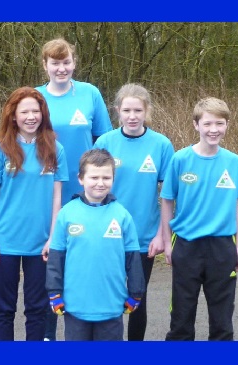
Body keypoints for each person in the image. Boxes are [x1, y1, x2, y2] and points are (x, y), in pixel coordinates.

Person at [36, 38, 113, 340]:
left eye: (66, 62)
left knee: (83, 259)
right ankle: (47, 334)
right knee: (51, 262)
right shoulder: (36, 97)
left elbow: (105, 141)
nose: (61, 68)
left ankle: (83, 328)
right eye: (55, 63)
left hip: (85, 192)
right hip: (47, 191)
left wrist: (103, 182)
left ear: (74, 63)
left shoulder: (90, 94)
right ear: (45, 65)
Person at [0, 86, 68, 341]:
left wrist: (54, 238)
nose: (31, 116)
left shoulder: (55, 149)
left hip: (41, 244)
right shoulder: (0, 150)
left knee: (37, 310)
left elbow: (56, 197)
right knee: (4, 309)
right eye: (24, 111)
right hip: (4, 242)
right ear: (13, 116)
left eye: (36, 110)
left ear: (43, 114)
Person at [160, 96, 238, 341]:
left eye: (219, 124)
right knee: (181, 317)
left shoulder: (233, 162)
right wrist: (168, 243)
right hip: (187, 245)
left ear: (227, 126)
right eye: (208, 124)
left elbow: (237, 205)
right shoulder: (180, 159)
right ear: (196, 125)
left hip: (222, 247)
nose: (214, 130)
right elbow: (167, 201)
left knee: (222, 321)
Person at [94, 84, 174, 341]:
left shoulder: (161, 145)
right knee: (108, 293)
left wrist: (163, 234)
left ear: (146, 111)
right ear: (117, 110)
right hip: (108, 233)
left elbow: (169, 195)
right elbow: (95, 188)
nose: (132, 116)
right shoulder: (105, 142)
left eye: (137, 110)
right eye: (126, 110)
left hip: (144, 236)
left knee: (137, 296)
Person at [46, 148, 145, 341]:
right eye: (94, 177)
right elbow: (56, 258)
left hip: (112, 304)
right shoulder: (67, 213)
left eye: (106, 178)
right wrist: (54, 292)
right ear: (81, 179)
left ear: (113, 179)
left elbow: (133, 259)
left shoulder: (122, 215)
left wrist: (136, 292)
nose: (100, 183)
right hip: (75, 305)